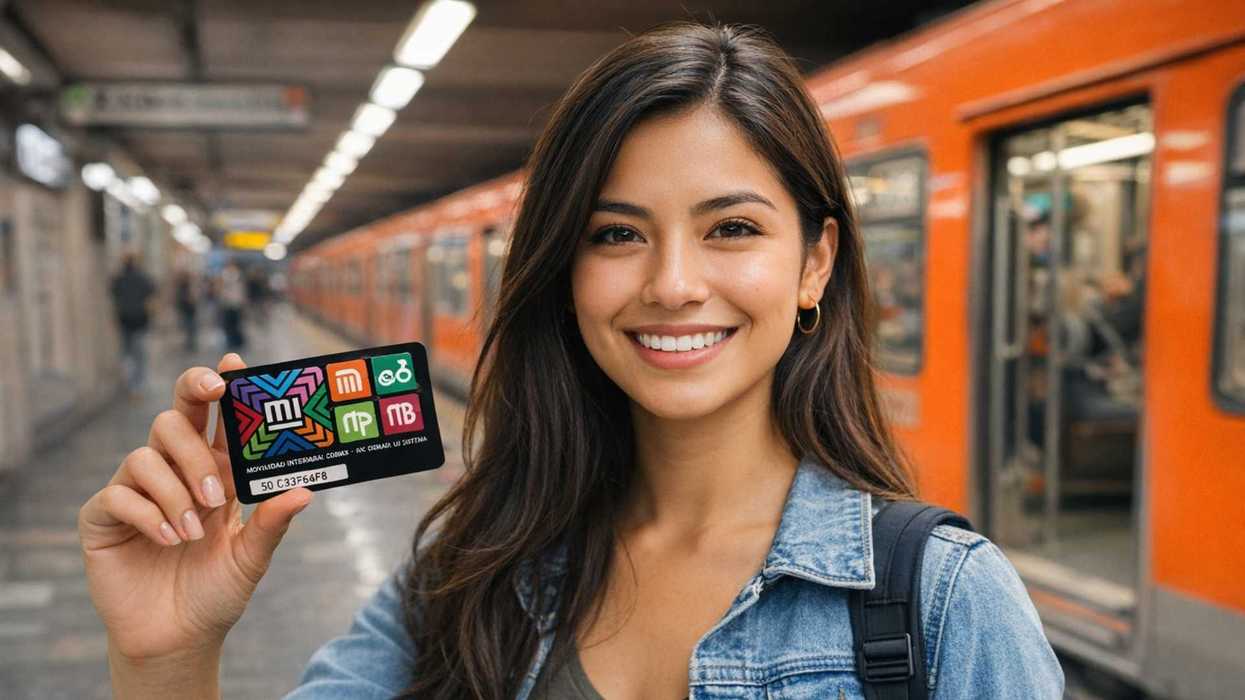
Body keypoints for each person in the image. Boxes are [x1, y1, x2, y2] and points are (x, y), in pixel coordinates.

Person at [77, 22, 1064, 699]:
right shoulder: (470, 568)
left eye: (730, 227)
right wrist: (169, 651)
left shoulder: (943, 602)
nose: (673, 283)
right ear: (561, 270)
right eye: (614, 234)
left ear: (815, 263)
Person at [109, 253, 157, 395]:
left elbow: (114, 296)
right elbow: (152, 293)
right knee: (140, 353)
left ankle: (129, 382)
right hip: (140, 320)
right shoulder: (142, 278)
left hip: (124, 319)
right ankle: (139, 384)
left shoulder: (118, 279)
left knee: (127, 353)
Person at [217, 262, 247, 349]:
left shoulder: (237, 278)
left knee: (235, 325)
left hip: (236, 305)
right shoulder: (225, 278)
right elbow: (223, 292)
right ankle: (231, 341)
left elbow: (241, 293)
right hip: (228, 305)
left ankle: (237, 342)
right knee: (229, 325)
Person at [173, 269, 200, 352]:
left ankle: (191, 344)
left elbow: (193, 298)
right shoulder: (181, 286)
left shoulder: (189, 286)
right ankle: (189, 343)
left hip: (189, 310)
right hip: (185, 309)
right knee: (188, 327)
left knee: (190, 327)